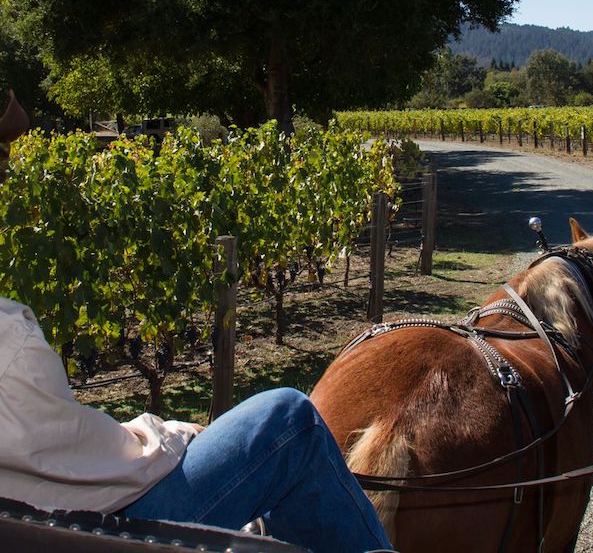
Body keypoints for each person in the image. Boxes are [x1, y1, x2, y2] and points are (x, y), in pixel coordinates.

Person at [0, 91, 393, 553]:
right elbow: (86, 467)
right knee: (289, 419)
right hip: (94, 534)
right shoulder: (11, 341)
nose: (7, 181)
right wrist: (171, 435)